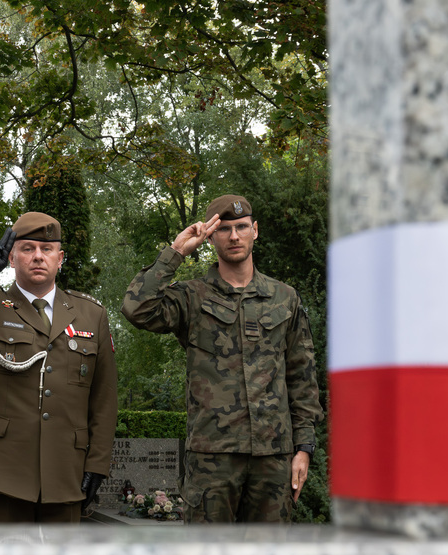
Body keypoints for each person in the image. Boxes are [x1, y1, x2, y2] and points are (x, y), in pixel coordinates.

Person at [121, 194, 323, 523]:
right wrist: (175, 253)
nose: (234, 236)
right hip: (212, 461)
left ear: (255, 230)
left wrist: (304, 448)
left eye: (242, 227)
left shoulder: (284, 299)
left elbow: (301, 377)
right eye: (225, 229)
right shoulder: (192, 296)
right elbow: (136, 308)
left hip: (273, 459)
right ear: (211, 236)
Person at [0, 212, 118, 523]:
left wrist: (97, 463)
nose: (38, 256)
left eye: (47, 249)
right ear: (12, 258)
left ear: (60, 258)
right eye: (27, 249)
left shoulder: (91, 314)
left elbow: (104, 399)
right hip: (3, 469)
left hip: (66, 469)